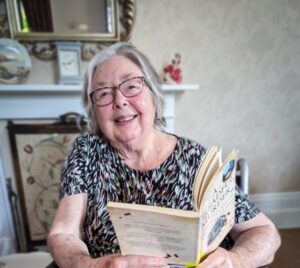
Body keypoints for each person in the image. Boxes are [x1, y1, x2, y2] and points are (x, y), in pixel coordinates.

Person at [47, 42, 281, 268]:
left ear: (153, 94)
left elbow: (264, 232)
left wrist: (235, 261)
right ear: (93, 110)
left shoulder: (194, 159)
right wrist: (92, 266)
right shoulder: (86, 152)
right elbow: (62, 233)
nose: (119, 101)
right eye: (104, 93)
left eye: (131, 86)